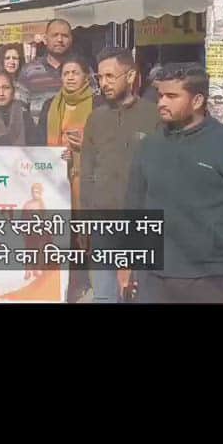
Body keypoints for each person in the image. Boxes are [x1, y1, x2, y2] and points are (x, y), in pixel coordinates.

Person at [125, 63, 223, 303]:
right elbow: (134, 209)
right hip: (154, 280)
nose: (161, 102)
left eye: (172, 96)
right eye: (161, 95)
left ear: (197, 101)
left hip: (213, 280)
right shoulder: (148, 147)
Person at [80, 47, 159, 303]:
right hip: (102, 221)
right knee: (104, 296)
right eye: (100, 77)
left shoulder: (154, 116)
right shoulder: (95, 119)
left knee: (143, 295)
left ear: (131, 75)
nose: (104, 83)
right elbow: (87, 170)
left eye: (110, 76)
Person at [39, 52, 96, 210]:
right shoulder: (49, 106)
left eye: (75, 73)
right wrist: (55, 154)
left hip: (88, 177)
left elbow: (107, 142)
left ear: (85, 76)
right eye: (66, 73)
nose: (70, 77)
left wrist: (84, 146)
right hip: (55, 175)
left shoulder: (98, 104)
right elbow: (39, 141)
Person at [18, 19, 74, 121]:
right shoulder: (29, 71)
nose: (60, 39)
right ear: (46, 38)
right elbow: (19, 109)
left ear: (71, 39)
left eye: (65, 36)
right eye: (55, 35)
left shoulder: (81, 70)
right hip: (39, 134)